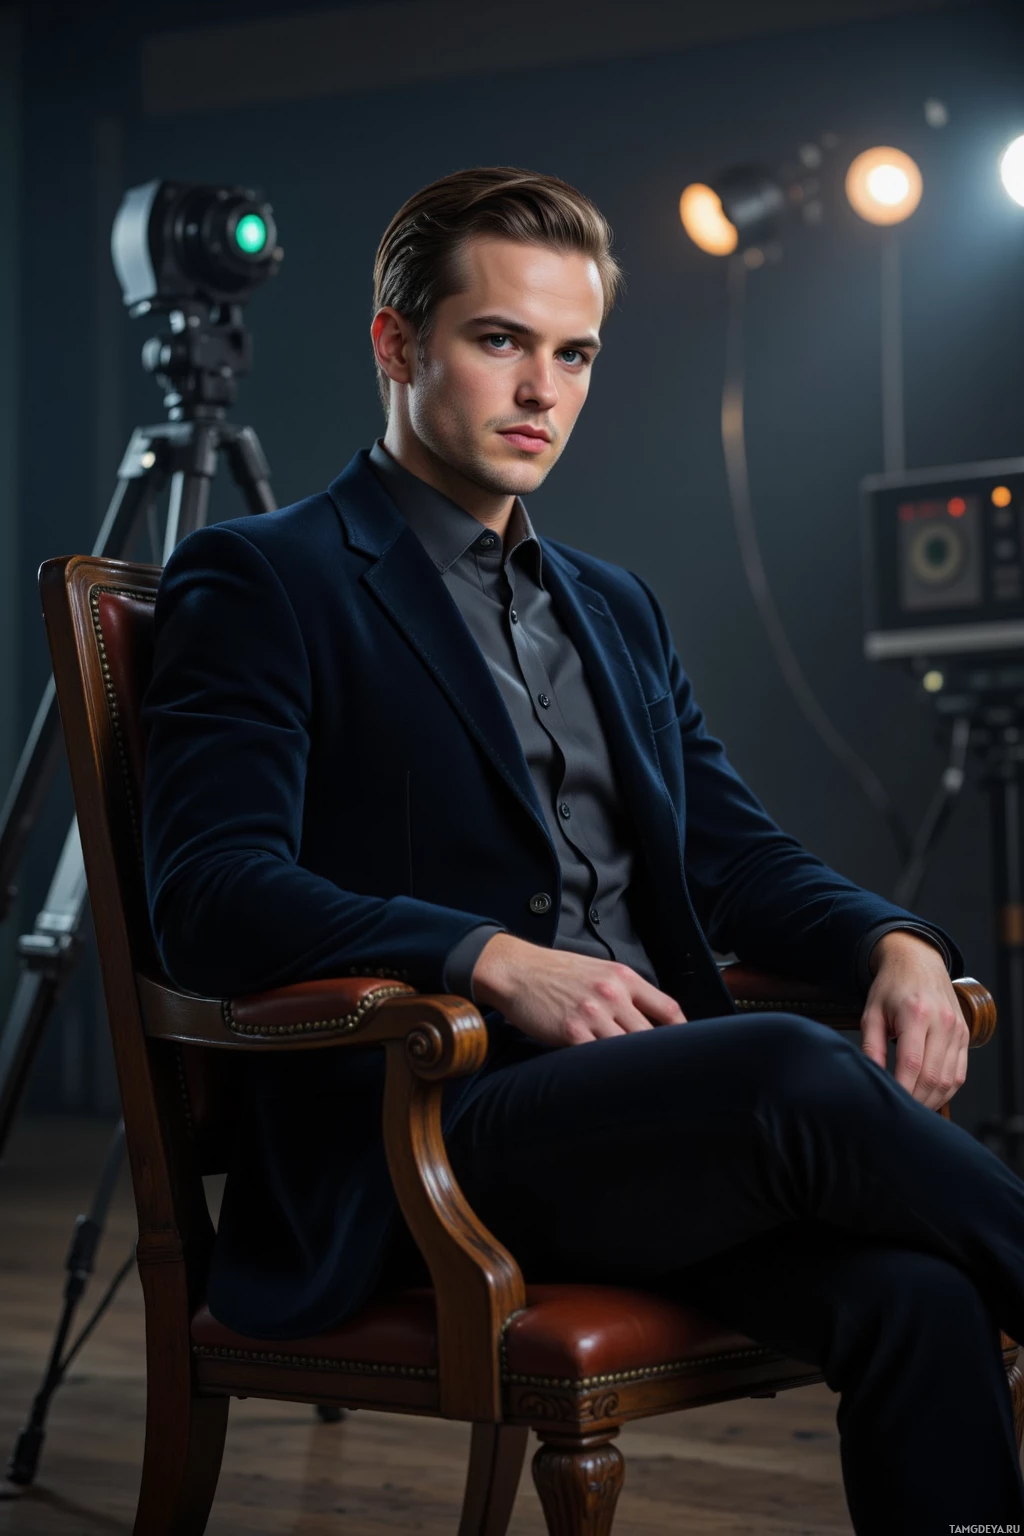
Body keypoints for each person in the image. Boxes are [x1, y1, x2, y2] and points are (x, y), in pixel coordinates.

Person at [141, 166, 1024, 1530]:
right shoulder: (267, 578)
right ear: (396, 344)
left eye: (574, 354)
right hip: (432, 1135)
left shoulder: (616, 608)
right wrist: (487, 957)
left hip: (651, 1130)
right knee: (788, 1064)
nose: (541, 391)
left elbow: (736, 857)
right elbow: (209, 895)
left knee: (920, 1296)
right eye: (501, 340)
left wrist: (892, 940)